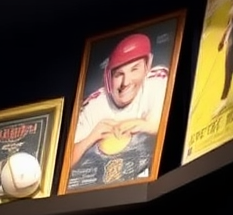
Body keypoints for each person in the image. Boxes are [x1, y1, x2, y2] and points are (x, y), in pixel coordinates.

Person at [69, 33, 168, 174]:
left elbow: (166, 127)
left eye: (134, 69)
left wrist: (143, 125)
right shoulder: (94, 105)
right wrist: (91, 138)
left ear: (147, 66)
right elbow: (63, 166)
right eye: (119, 74)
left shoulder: (157, 81)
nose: (126, 82)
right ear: (108, 78)